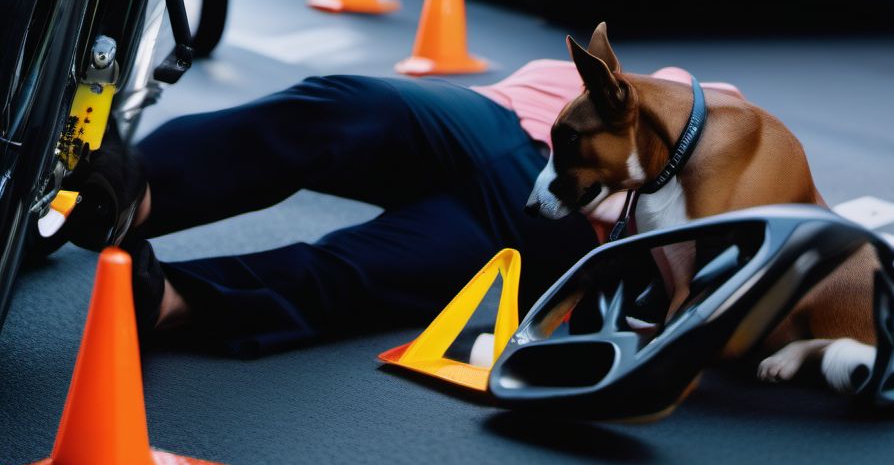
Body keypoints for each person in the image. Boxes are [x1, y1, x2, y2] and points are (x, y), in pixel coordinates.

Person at [66, 60, 714, 358]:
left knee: (365, 271)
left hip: (556, 228)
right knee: (346, 109)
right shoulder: (679, 93)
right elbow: (674, 85)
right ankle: (135, 191)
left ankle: (173, 301)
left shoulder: (737, 152)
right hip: (498, 120)